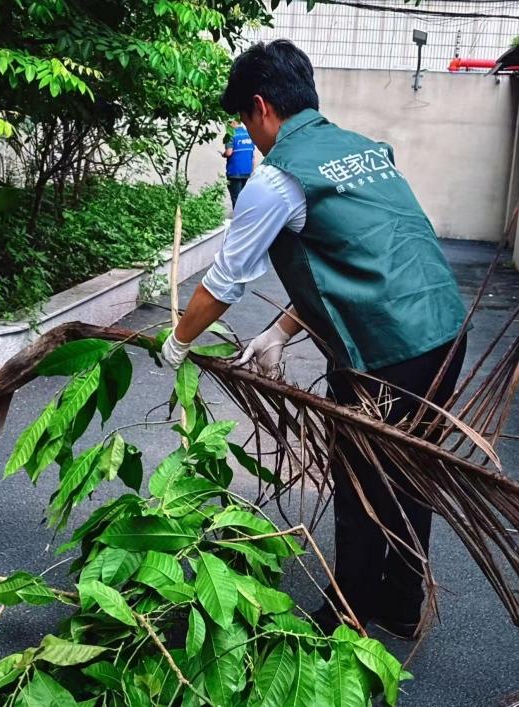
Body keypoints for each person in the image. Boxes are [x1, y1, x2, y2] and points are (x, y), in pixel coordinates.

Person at [161, 40, 467, 639]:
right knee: (412, 473)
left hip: (387, 352)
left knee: (361, 481)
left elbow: (224, 283)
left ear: (260, 107)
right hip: (445, 332)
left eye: (245, 120)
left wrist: (178, 343)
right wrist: (279, 331)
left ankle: (344, 618)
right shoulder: (361, 149)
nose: (252, 135)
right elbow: (351, 260)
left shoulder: (277, 179)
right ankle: (402, 604)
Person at [222, 119, 255, 207]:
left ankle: (238, 215)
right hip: (247, 171)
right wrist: (252, 171)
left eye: (228, 122)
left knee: (236, 198)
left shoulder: (231, 134)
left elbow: (229, 152)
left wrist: (223, 154)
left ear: (233, 122)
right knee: (244, 198)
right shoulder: (249, 134)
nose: (227, 125)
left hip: (234, 171)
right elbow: (252, 155)